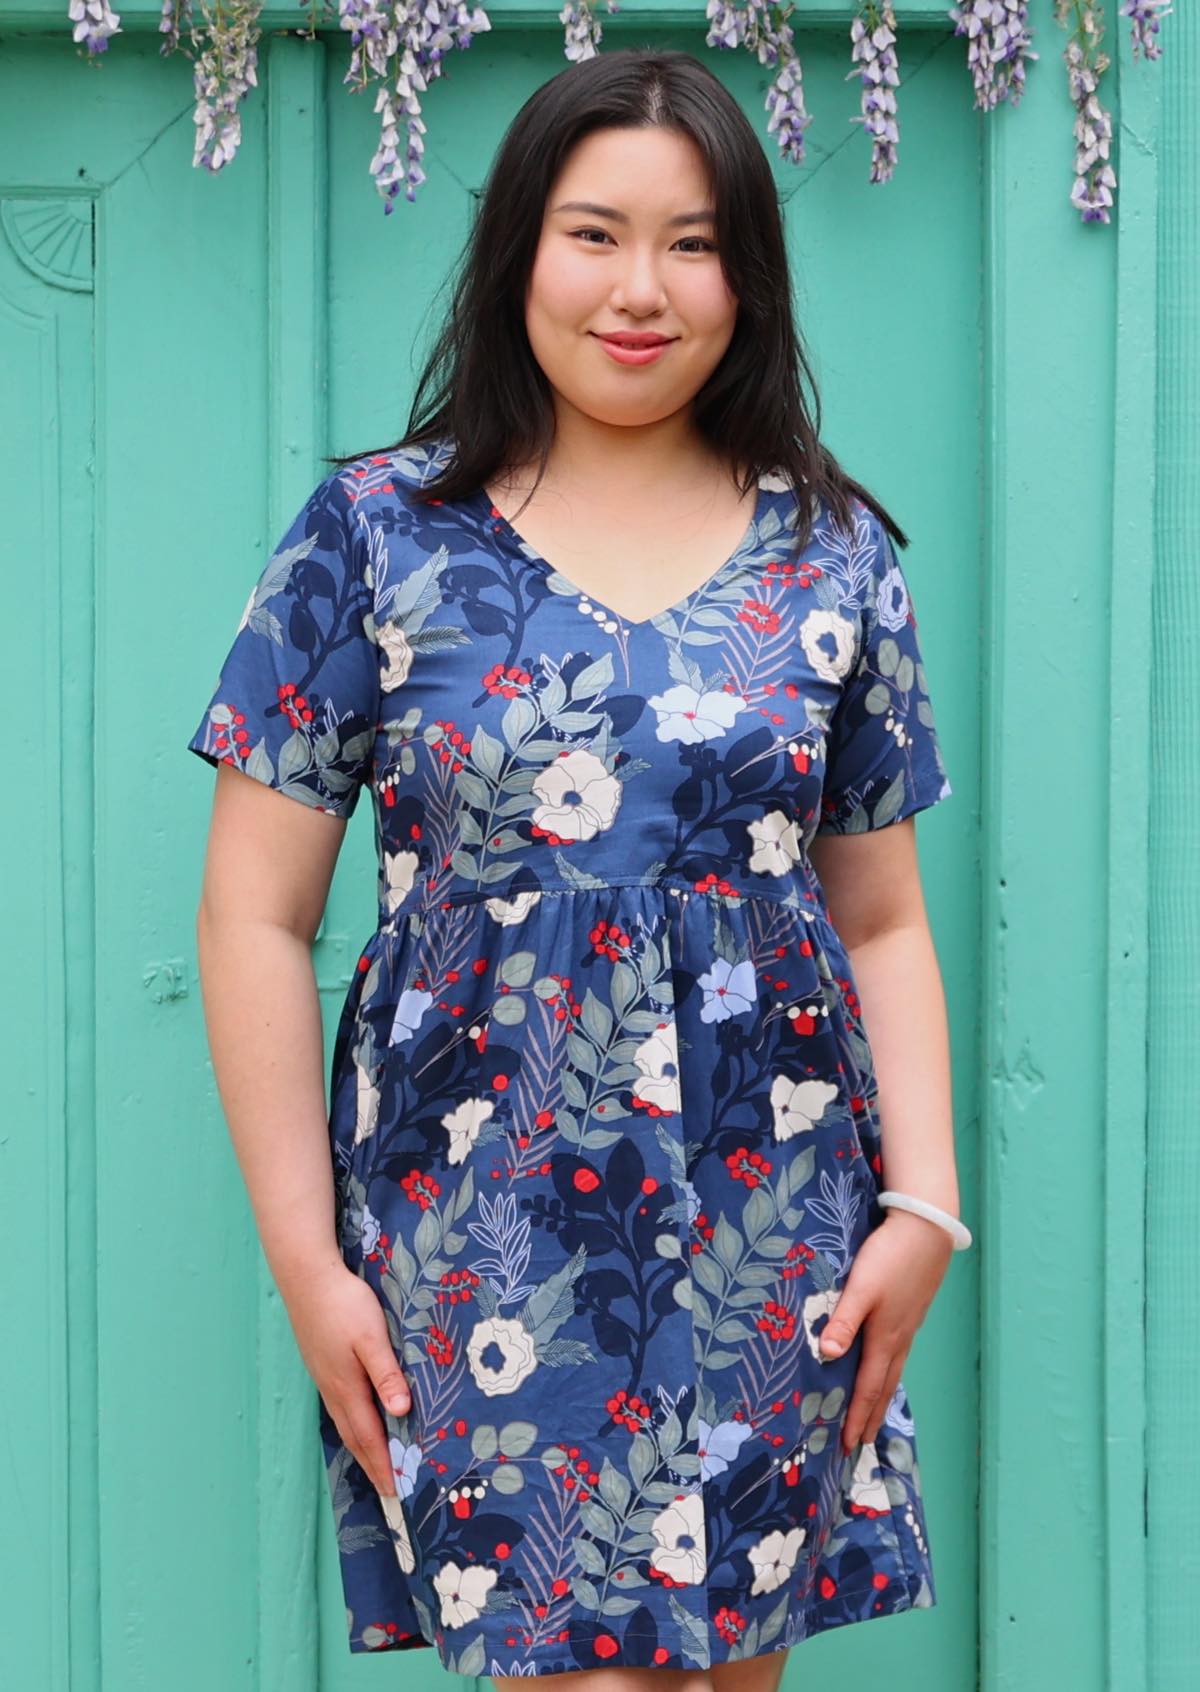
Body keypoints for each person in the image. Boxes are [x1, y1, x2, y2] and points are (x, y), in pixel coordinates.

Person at [187, 43, 965, 1692]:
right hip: (486, 1221)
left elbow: (881, 920)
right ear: (517, 253)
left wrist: (923, 1211)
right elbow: (253, 915)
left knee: (726, 1671)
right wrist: (308, 1263)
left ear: (746, 279)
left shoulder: (833, 551)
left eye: (694, 244)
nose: (643, 289)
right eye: (593, 232)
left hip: (776, 1212)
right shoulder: (375, 534)